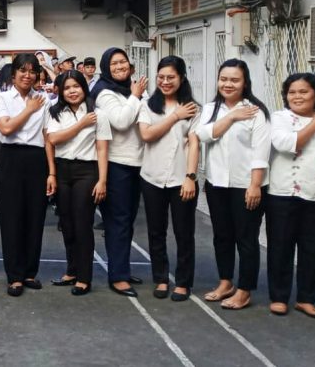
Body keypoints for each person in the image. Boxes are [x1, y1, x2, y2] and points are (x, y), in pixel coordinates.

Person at [196, 58, 270, 310]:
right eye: (224, 79)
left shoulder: (257, 112)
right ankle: (225, 281)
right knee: (222, 236)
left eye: (234, 80)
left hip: (246, 185)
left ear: (245, 82)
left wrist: (255, 185)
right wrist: (231, 117)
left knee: (246, 238)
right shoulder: (211, 108)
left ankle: (244, 290)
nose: (228, 84)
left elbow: (261, 152)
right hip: (217, 184)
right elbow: (203, 134)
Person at [266, 72, 315, 318]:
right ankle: (279, 296)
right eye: (292, 92)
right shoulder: (280, 117)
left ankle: (306, 298)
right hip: (282, 191)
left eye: (303, 92)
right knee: (280, 245)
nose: (297, 96)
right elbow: (287, 144)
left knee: (312, 248)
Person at [137, 56, 200, 302]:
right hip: (152, 176)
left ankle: (183, 282)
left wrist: (190, 177)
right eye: (161, 77)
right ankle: (161, 279)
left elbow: (194, 144)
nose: (165, 81)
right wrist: (174, 117)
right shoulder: (148, 106)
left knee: (184, 233)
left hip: (180, 178)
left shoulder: (194, 108)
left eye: (170, 77)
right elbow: (147, 135)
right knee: (156, 231)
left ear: (181, 78)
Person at [91, 47, 148, 297]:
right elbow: (122, 121)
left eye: (123, 62)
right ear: (106, 67)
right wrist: (136, 96)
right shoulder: (105, 92)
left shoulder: (132, 91)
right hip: (116, 165)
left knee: (127, 220)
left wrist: (136, 96)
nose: (119, 67)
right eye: (114, 64)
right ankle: (118, 277)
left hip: (137, 163)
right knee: (118, 222)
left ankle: (121, 267)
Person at [46, 69, 108, 296]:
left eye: (76, 86)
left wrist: (102, 180)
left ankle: (84, 277)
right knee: (67, 223)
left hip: (87, 171)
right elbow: (53, 139)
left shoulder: (98, 113)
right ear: (61, 91)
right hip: (62, 170)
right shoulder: (54, 111)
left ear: (84, 87)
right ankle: (71, 270)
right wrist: (81, 124)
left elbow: (102, 148)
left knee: (82, 224)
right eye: (67, 88)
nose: (72, 91)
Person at [0, 53, 50, 297]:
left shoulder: (44, 99)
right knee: (11, 217)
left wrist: (52, 172)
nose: (27, 75)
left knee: (35, 217)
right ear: (13, 74)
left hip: (37, 160)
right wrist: (28, 110)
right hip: (11, 158)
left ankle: (29, 272)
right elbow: (5, 127)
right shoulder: (2, 98)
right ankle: (14, 275)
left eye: (32, 71)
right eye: (22, 71)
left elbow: (48, 136)